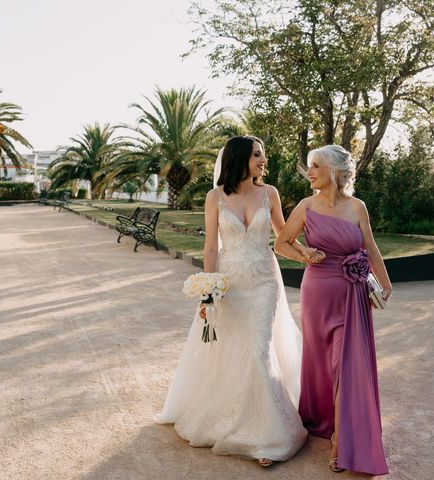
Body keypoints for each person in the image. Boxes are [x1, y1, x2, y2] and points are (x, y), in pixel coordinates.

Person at [156, 136, 316, 466]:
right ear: (241, 157)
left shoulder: (269, 193)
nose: (263, 159)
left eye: (263, 154)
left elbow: (284, 234)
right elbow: (211, 248)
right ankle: (231, 420)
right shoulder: (215, 197)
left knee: (259, 349)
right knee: (231, 350)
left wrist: (307, 255)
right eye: (258, 154)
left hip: (264, 282)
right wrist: (208, 291)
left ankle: (270, 437)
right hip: (230, 284)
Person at [274, 145, 391, 475]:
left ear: (336, 172)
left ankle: (341, 438)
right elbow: (281, 242)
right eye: (310, 166)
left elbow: (372, 249)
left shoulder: (358, 207)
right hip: (317, 295)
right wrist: (306, 255)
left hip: (352, 295)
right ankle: (324, 419)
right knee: (322, 362)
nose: (309, 172)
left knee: (346, 365)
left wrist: (385, 283)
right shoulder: (305, 206)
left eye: (316, 166)